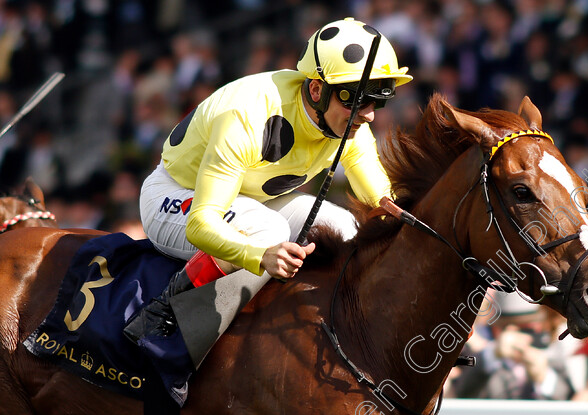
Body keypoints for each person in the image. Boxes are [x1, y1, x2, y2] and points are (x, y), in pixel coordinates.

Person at [123, 18, 412, 343]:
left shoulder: (344, 118)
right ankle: (164, 314)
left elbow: (379, 193)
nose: (369, 115)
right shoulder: (246, 115)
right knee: (268, 233)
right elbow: (201, 224)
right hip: (175, 194)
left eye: (378, 101)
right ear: (317, 89)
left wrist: (395, 211)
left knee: (345, 227)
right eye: (358, 100)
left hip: (252, 200)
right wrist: (260, 255)